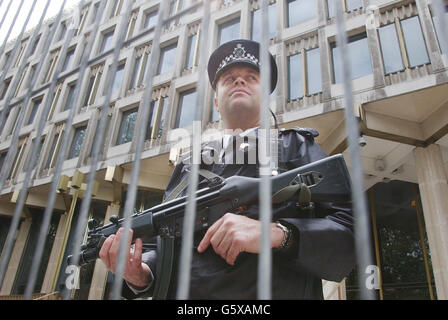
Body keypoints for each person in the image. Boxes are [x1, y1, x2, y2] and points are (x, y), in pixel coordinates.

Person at [99, 39, 355, 299]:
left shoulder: (294, 145)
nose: (239, 81)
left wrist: (278, 234)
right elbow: (162, 244)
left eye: (251, 77)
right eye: (229, 78)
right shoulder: (189, 166)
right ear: (216, 102)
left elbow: (348, 230)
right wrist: (140, 274)